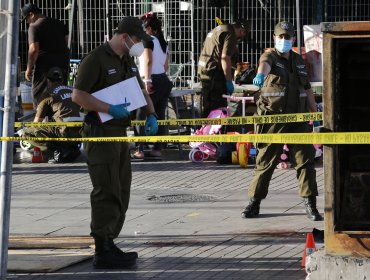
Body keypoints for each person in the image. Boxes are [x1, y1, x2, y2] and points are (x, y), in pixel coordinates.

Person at [71, 16, 158, 269]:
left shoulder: (127, 60)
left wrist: (151, 114)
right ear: (125, 37)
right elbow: (78, 95)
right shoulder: (96, 59)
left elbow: (141, 90)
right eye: (138, 39)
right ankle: (102, 248)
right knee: (105, 189)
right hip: (100, 134)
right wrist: (109, 107)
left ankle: (110, 241)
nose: (140, 44)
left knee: (121, 189)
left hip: (120, 134)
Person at [241, 21, 323, 221]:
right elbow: (264, 65)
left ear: (293, 39)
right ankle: (254, 203)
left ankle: (310, 204)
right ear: (274, 38)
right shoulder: (270, 56)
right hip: (273, 120)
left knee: (305, 163)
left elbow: (308, 89)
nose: (284, 40)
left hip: (299, 120)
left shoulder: (299, 61)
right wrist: (260, 75)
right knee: (265, 163)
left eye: (287, 37)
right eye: (281, 37)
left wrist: (316, 116)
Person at [20, 67, 82, 163]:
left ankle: (56, 151)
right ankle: (71, 148)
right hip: (81, 132)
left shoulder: (48, 94)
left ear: (48, 80)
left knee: (27, 133)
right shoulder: (73, 89)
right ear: (62, 80)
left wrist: (23, 129)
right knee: (55, 125)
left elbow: (36, 123)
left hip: (65, 132)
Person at [133, 12, 173, 159]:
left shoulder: (147, 40)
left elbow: (148, 60)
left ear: (148, 28)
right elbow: (166, 65)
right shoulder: (163, 42)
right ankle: (157, 149)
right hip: (163, 79)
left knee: (141, 115)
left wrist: (148, 80)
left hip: (151, 80)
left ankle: (140, 149)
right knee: (159, 114)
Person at [198, 19, 250, 118]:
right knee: (217, 109)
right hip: (213, 74)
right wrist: (229, 81)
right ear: (242, 30)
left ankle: (205, 130)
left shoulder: (220, 29)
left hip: (205, 71)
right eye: (242, 36)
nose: (240, 38)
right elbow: (225, 58)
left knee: (208, 107)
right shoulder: (230, 34)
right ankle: (214, 132)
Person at [21, 3, 69, 107]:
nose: (28, 22)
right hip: (62, 65)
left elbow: (33, 49)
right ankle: (57, 119)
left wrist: (29, 68)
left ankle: (40, 120)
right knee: (60, 94)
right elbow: (67, 42)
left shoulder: (34, 27)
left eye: (27, 19)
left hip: (44, 68)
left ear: (32, 14)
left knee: (40, 97)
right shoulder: (59, 23)